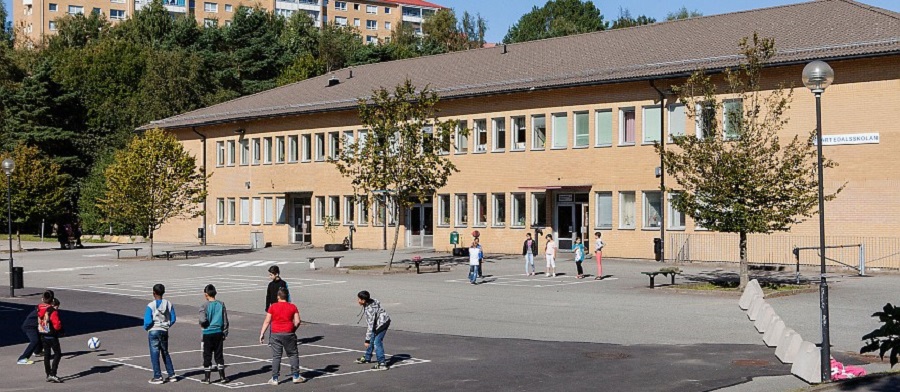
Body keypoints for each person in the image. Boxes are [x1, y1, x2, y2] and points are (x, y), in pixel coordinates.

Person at [259, 288, 304, 385]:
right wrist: (293, 329)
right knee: (292, 354)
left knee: (276, 356)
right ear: (287, 296)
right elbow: (297, 321)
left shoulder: (273, 307)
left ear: (278, 297)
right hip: (288, 333)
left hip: (276, 333)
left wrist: (262, 333)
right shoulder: (292, 307)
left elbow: (267, 321)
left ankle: (275, 378)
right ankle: (296, 376)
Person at [144, 284, 177, 384]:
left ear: (153, 293)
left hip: (154, 330)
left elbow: (148, 321)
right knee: (165, 352)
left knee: (155, 353)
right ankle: (171, 374)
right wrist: (167, 325)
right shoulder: (168, 304)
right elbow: (173, 318)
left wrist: (146, 327)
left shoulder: (151, 305)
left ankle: (157, 376)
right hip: (164, 330)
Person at [199, 284, 229, 384]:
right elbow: (225, 320)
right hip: (218, 332)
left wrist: (203, 324)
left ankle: (207, 378)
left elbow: (202, 319)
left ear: (206, 294)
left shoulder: (204, 306)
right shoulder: (221, 304)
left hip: (208, 332)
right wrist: (225, 332)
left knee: (207, 354)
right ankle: (222, 377)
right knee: (219, 354)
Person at [354, 290, 390, 370]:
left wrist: (367, 340)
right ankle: (367, 357)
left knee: (377, 342)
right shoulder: (372, 301)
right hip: (376, 323)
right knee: (372, 338)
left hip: (382, 323)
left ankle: (382, 363)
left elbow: (370, 326)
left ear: (363, 300)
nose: (358, 301)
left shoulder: (370, 310)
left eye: (359, 299)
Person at [16, 291, 49, 365]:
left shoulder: (43, 306)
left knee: (40, 338)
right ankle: (22, 358)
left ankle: (37, 351)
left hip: (33, 325)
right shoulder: (46, 309)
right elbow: (43, 320)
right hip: (29, 327)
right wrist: (47, 329)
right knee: (35, 340)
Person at [37, 293, 63, 383]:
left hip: (43, 334)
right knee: (57, 354)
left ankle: (48, 374)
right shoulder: (52, 311)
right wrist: (61, 329)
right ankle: (53, 373)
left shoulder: (39, 308)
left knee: (47, 355)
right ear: (52, 301)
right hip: (52, 335)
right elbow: (56, 325)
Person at [264, 265, 289, 344]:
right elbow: (268, 296)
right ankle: (272, 340)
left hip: (282, 307)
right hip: (273, 307)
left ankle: (284, 338)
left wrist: (287, 305)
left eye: (271, 275)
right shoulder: (270, 285)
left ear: (277, 274)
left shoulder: (283, 284)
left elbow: (287, 296)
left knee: (282, 323)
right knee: (272, 323)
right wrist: (267, 307)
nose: (270, 276)